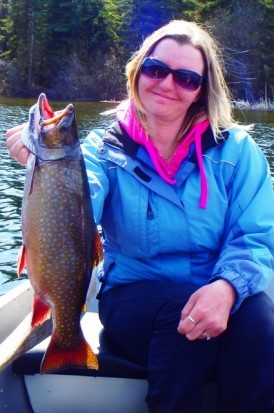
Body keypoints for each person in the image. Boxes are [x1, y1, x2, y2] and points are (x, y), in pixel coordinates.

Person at [6, 19, 274, 413]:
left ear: (202, 91)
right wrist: (45, 168)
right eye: (156, 69)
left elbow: (255, 237)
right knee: (182, 317)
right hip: (131, 298)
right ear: (137, 71)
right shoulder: (98, 151)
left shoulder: (237, 152)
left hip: (215, 291)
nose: (167, 84)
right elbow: (81, 202)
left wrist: (228, 287)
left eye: (185, 78)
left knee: (258, 322)